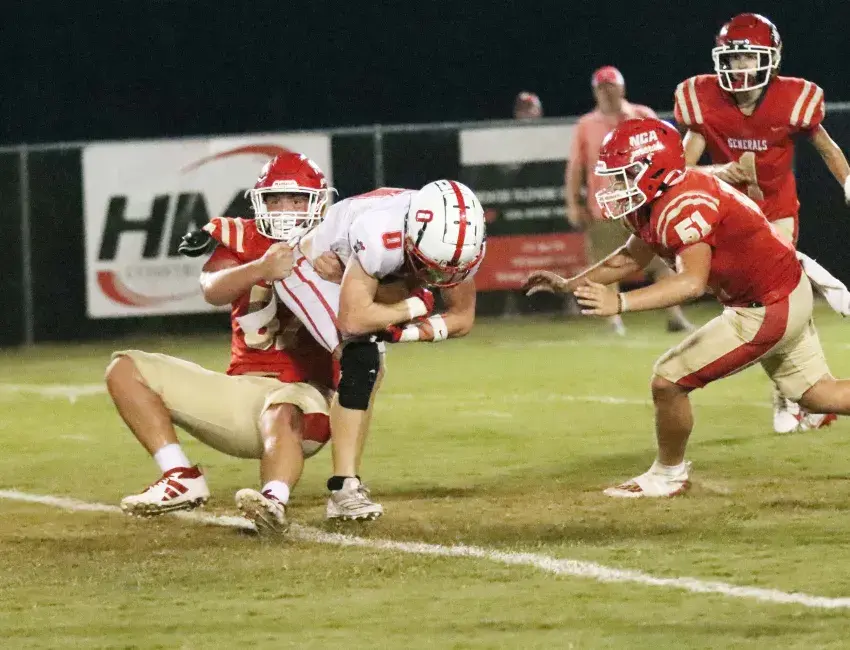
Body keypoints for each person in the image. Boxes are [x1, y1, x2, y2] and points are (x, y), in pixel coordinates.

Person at [524, 117, 850, 498]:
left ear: (654, 169)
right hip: (782, 291)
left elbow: (691, 282)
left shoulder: (683, 204)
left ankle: (668, 475)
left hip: (767, 305)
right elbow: (632, 256)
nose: (616, 187)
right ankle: (669, 474)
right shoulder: (659, 196)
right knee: (818, 395)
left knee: (668, 381)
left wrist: (621, 301)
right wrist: (571, 283)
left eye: (625, 175)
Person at [105, 152, 337, 534]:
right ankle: (179, 475)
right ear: (260, 203)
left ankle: (273, 502)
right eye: (275, 199)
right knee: (124, 369)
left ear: (318, 202)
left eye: (296, 199)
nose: (284, 209)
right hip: (241, 391)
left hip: (306, 395)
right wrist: (260, 268)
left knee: (282, 409)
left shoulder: (337, 242)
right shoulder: (243, 237)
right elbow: (212, 289)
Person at [673, 12, 850, 433]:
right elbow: (682, 170)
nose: (740, 67)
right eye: (733, 59)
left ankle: (795, 391)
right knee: (766, 309)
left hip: (777, 213)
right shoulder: (705, 101)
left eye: (749, 57)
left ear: (771, 59)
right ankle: (806, 389)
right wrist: (721, 173)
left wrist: (848, 182)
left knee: (773, 304)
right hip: (732, 218)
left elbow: (826, 147)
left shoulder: (791, 100)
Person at [273, 181, 486, 520]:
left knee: (372, 367)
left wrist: (407, 331)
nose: (436, 276)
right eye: (429, 265)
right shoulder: (379, 234)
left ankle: (347, 483)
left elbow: (463, 318)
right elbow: (353, 320)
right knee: (362, 358)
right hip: (312, 267)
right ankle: (344, 488)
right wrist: (413, 306)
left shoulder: (459, 244)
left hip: (360, 274)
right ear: (411, 235)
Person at [567, 66, 694, 336]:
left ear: (622, 88)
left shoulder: (642, 115)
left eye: (611, 86)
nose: (607, 92)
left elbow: (668, 154)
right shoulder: (586, 125)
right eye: (602, 88)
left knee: (664, 262)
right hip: (606, 208)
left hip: (645, 205)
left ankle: (675, 316)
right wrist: (573, 203)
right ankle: (613, 321)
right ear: (595, 92)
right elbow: (576, 168)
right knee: (606, 266)